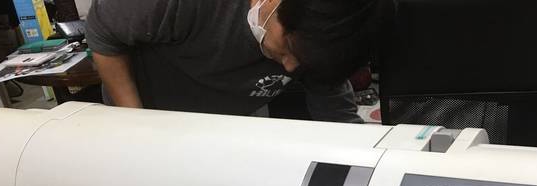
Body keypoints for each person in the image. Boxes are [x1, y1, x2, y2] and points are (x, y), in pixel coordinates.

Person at [85, 0, 380, 122]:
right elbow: (103, 30)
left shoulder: (322, 36)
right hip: (151, 115)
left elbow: (335, 110)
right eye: (289, 48)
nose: (291, 67)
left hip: (225, 123)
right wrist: (137, 125)